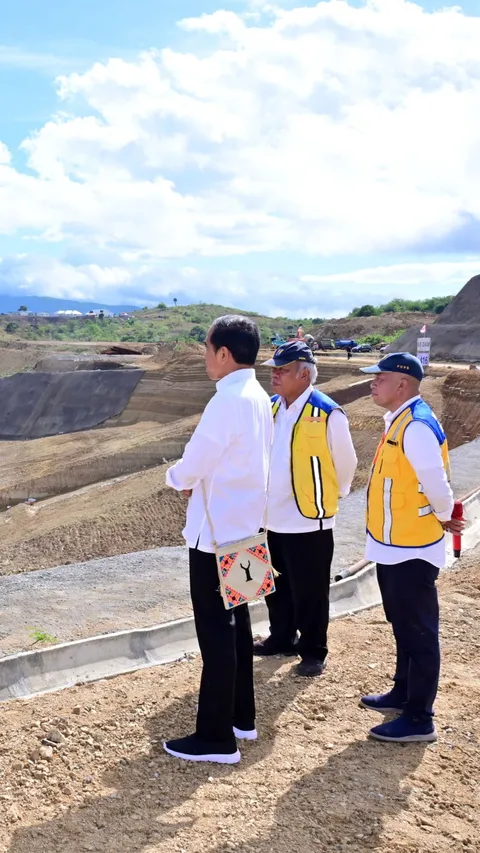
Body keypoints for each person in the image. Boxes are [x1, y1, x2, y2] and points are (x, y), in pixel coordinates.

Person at [163, 315, 272, 764]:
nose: (205, 356)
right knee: (240, 624)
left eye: (207, 348)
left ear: (223, 353)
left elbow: (195, 461)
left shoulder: (226, 400)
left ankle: (215, 738)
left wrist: (175, 477)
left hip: (215, 535)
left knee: (217, 632)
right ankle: (240, 720)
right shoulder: (259, 395)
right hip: (247, 528)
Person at [359, 352, 464, 743]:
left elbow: (436, 483)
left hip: (412, 546)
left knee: (419, 631)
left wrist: (443, 515)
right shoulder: (400, 420)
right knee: (402, 623)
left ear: (401, 383)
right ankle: (403, 691)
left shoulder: (415, 425)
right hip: (394, 544)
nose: (373, 383)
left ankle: (420, 717)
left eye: (379, 377)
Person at [253, 341, 357, 676]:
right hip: (272, 517)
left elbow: (346, 463)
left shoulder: (327, 412)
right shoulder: (270, 408)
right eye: (273, 369)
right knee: (276, 584)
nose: (274, 375)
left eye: (282, 370)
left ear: (304, 373)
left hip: (309, 520)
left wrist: (331, 497)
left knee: (310, 590)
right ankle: (281, 637)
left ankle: (313, 650)